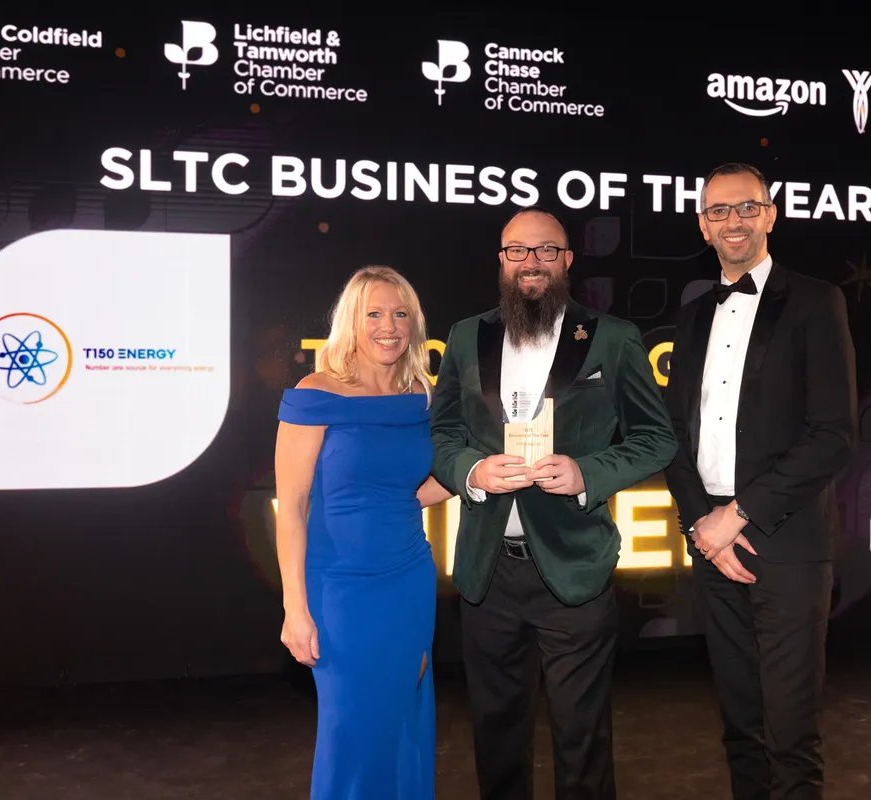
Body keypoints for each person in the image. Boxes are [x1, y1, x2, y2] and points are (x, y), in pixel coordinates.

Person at [430, 206, 677, 799]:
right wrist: (471, 470)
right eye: (518, 250)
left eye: (546, 250)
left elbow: (656, 438)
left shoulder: (612, 338)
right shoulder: (466, 335)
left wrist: (587, 472)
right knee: (496, 734)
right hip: (487, 568)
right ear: (501, 261)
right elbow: (441, 434)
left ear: (567, 260)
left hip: (575, 565)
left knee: (581, 738)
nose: (531, 262)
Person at [663, 162, 857, 800]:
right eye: (719, 211)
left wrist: (738, 514)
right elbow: (673, 434)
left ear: (770, 215)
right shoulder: (693, 314)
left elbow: (833, 434)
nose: (734, 221)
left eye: (747, 207)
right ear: (703, 225)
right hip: (712, 543)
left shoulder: (816, 301)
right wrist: (702, 524)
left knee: (791, 733)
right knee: (740, 725)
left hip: (786, 539)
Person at [274, 265, 451, 799]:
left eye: (400, 314)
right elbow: (293, 507)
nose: (388, 327)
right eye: (374, 313)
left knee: (402, 722)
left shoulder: (421, 394)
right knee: (351, 731)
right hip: (340, 589)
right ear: (352, 321)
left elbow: (417, 487)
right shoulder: (316, 393)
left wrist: (479, 475)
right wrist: (294, 607)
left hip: (409, 579)